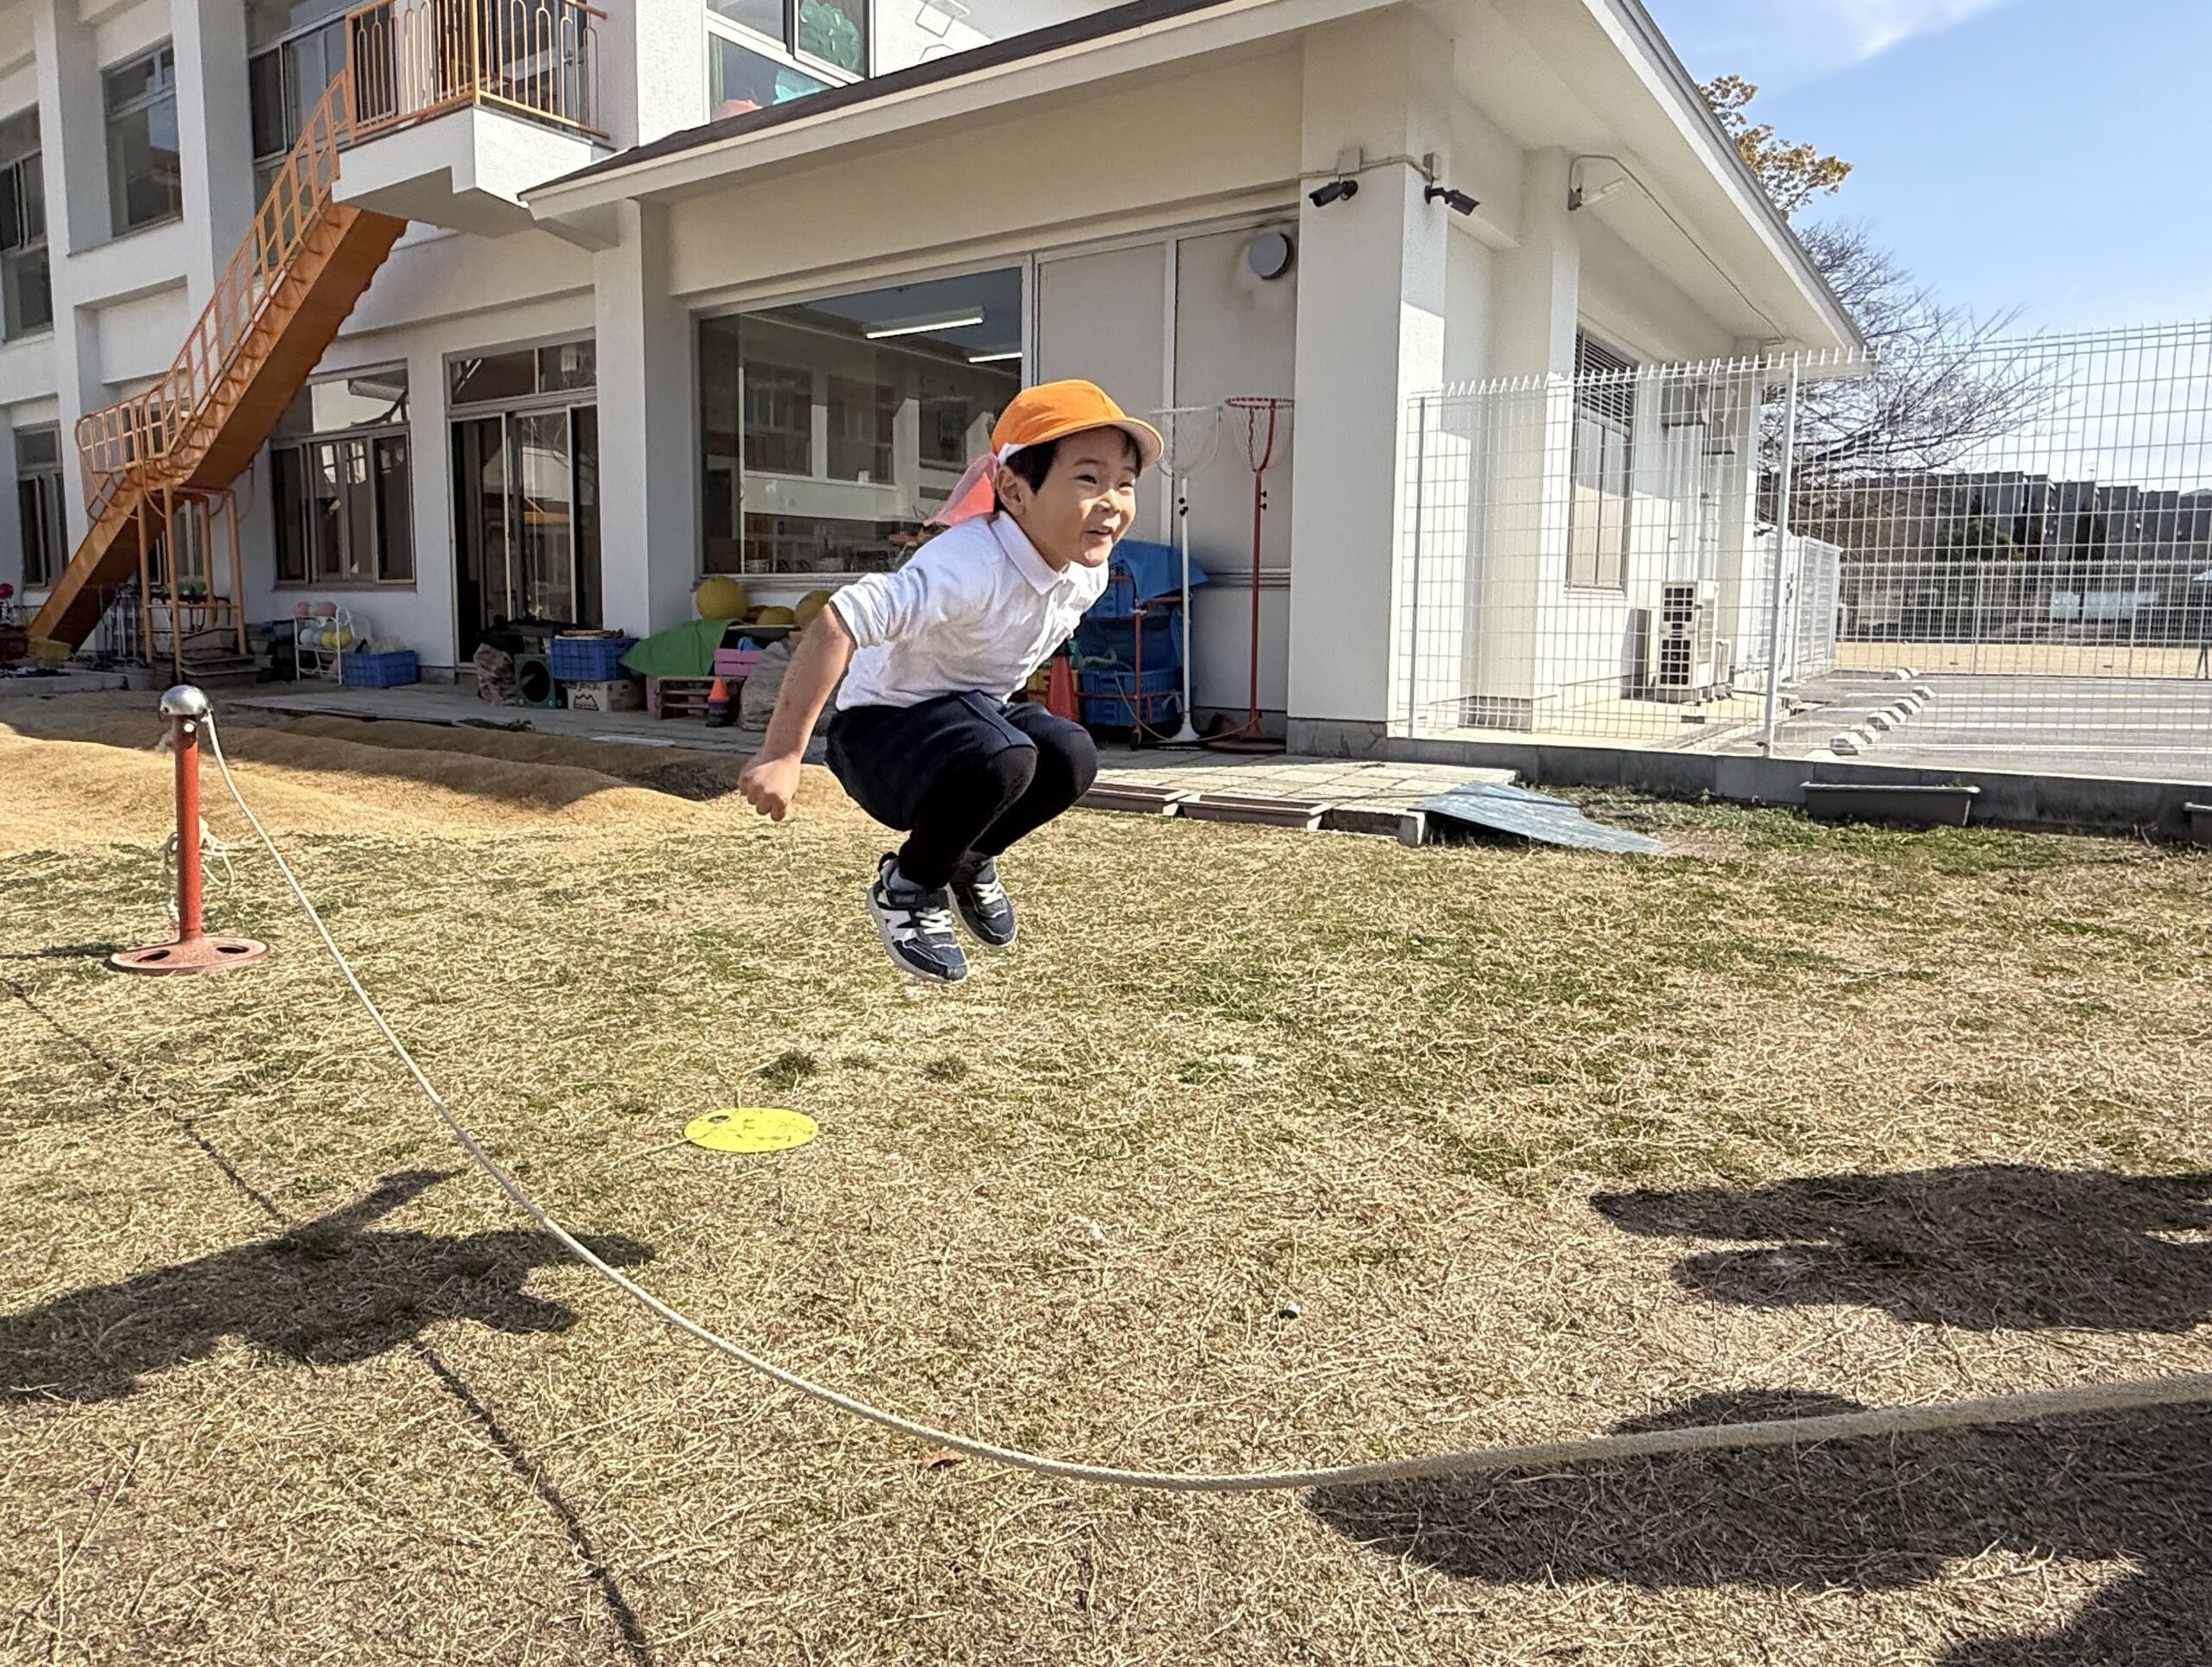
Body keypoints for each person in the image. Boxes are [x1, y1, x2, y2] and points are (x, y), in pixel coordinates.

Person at [737, 380, 1162, 984]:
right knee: (1005, 756)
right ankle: (908, 887)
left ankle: (968, 856)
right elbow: (837, 621)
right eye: (1089, 479)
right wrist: (782, 753)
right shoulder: (966, 565)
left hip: (968, 722)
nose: (1112, 502)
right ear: (1014, 491)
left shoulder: (1085, 573)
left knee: (1071, 754)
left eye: (1125, 483)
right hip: (878, 739)